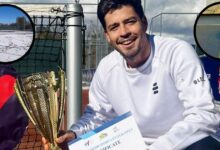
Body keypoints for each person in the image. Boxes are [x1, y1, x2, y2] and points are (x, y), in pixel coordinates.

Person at [43, 0, 220, 149]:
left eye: (130, 21)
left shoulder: (177, 52)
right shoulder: (106, 68)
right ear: (107, 36)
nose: (124, 32)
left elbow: (203, 115)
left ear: (144, 22)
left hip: (183, 145)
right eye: (114, 27)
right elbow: (97, 116)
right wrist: (74, 134)